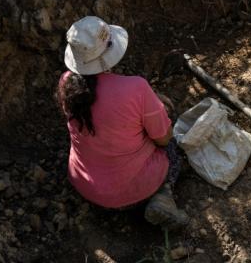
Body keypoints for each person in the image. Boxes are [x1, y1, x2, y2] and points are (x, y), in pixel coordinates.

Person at [57, 16, 189, 229]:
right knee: (174, 150)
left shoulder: (66, 84)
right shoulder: (136, 88)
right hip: (132, 191)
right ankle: (163, 196)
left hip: (85, 187)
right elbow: (163, 139)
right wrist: (158, 110)